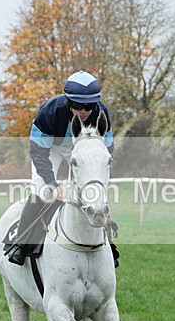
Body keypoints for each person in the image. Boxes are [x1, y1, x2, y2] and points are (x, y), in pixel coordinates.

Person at [7, 70, 115, 266]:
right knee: (42, 190)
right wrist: (53, 184)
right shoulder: (49, 112)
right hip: (51, 149)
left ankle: (109, 244)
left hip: (84, 148)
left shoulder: (101, 114)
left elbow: (106, 151)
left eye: (89, 106)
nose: (83, 111)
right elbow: (39, 154)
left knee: (95, 192)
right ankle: (20, 244)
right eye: (77, 105)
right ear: (68, 102)